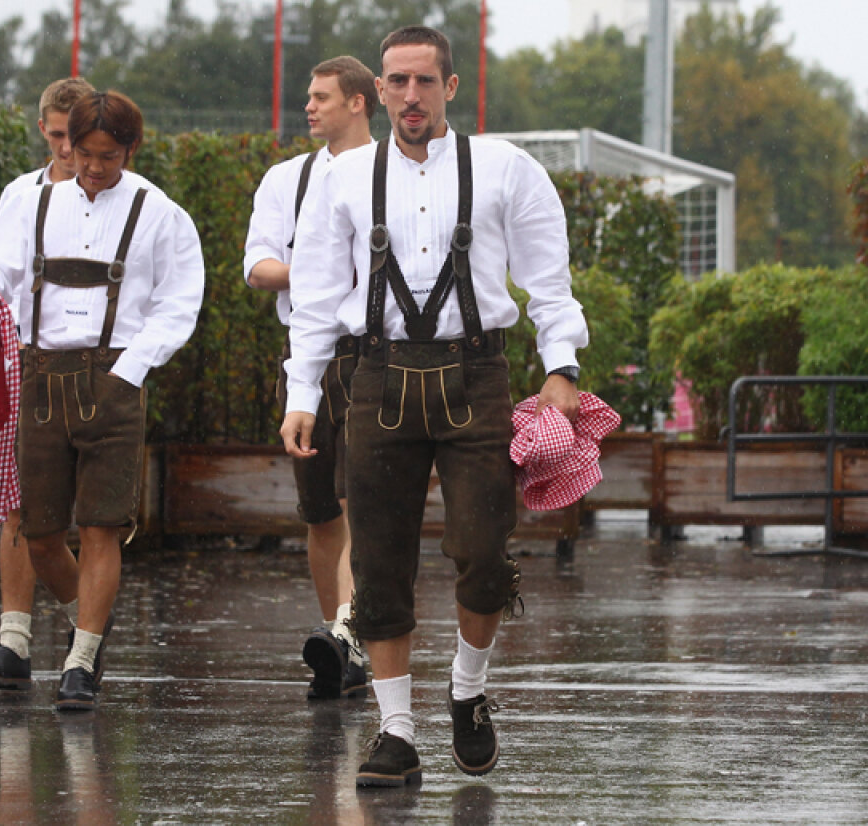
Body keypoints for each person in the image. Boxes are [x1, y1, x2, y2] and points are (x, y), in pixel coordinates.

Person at [281, 26, 588, 787]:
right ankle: (395, 731)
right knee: (380, 566)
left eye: (424, 81)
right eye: (396, 82)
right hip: (377, 379)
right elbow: (316, 297)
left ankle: (468, 690)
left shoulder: (505, 168)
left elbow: (548, 279)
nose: (409, 96)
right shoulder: (345, 179)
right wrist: (301, 394)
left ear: (451, 87)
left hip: (475, 376)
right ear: (378, 90)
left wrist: (562, 369)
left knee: (485, 559)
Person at [0, 90, 205, 711]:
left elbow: (179, 301)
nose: (95, 167)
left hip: (114, 378)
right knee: (40, 532)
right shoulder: (31, 205)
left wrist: (130, 370)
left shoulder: (160, 213)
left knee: (104, 527)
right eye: (84, 154)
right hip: (40, 375)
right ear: (67, 146)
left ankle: (80, 662)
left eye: (108, 156)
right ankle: (91, 622)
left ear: (130, 150)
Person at [243, 56, 376, 701]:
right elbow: (258, 266)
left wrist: (329, 273)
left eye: (321, 96)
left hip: (375, 355)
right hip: (307, 355)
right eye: (308, 95)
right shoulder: (288, 178)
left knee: (361, 503)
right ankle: (340, 639)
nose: (309, 107)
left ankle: (353, 635)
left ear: (358, 102)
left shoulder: (389, 173)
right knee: (320, 511)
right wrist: (321, 273)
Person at [0, 76, 97, 692]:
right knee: (19, 504)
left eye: (81, 137)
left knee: (90, 521)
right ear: (44, 129)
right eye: (61, 136)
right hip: (26, 365)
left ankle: (89, 630)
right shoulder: (21, 193)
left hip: (97, 369)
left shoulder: (119, 197)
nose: (71, 150)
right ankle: (15, 640)